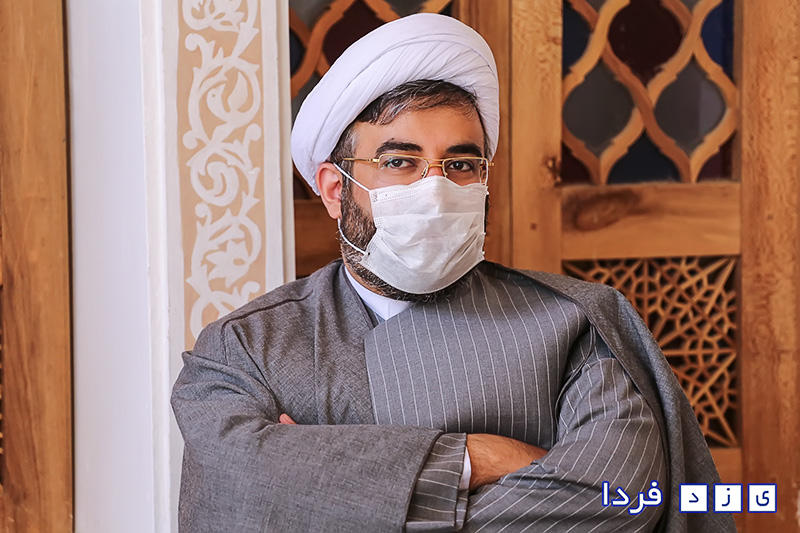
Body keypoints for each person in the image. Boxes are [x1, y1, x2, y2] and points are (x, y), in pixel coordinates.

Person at [172, 13, 734, 533]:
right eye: (400, 162)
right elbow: (234, 494)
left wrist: (334, 496)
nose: (436, 187)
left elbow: (617, 498)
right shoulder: (246, 350)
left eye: (461, 164)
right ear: (336, 189)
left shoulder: (575, 326)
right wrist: (474, 457)